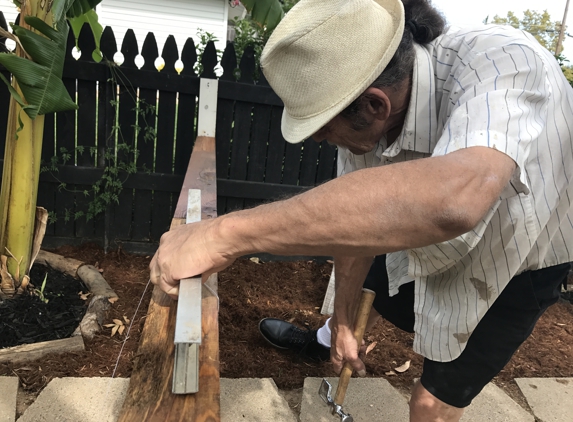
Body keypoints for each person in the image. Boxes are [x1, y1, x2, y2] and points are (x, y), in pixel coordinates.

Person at [150, 0, 573, 420]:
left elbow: (455, 200)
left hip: (518, 261)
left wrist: (224, 235)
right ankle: (325, 338)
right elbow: (355, 233)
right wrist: (343, 320)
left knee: (431, 402)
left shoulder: (502, 62)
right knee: (360, 286)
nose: (317, 140)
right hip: (438, 232)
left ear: (375, 106)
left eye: (321, 128)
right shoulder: (368, 124)